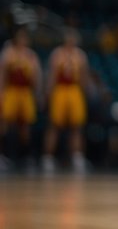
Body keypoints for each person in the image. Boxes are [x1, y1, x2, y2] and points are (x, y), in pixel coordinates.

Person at [43, 28, 92, 173]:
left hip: (74, 90)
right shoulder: (57, 54)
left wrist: (84, 93)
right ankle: (48, 157)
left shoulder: (80, 55)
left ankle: (77, 157)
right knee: (54, 125)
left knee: (77, 126)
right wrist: (48, 93)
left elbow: (83, 77)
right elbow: (52, 75)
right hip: (60, 90)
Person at [1, 28, 41, 170]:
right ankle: (3, 155)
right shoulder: (8, 53)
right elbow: (3, 75)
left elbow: (36, 78)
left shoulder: (31, 56)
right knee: (5, 123)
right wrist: (2, 92)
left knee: (25, 125)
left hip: (25, 92)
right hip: (11, 90)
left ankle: (25, 156)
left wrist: (37, 94)